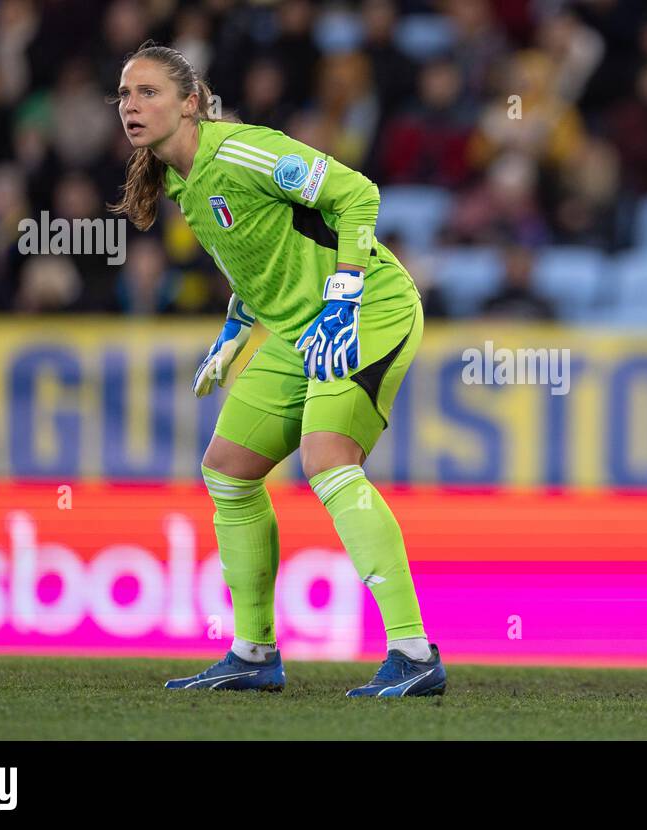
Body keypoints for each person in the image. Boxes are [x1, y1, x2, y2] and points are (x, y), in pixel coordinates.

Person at [110, 43, 445, 697]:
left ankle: (414, 652)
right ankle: (254, 653)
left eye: (148, 92)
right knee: (228, 470)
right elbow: (260, 260)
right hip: (300, 328)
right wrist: (235, 330)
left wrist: (346, 293)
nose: (131, 106)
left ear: (190, 102)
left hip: (368, 306)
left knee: (327, 459)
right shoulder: (180, 179)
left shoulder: (241, 152)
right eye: (124, 94)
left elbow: (358, 195)